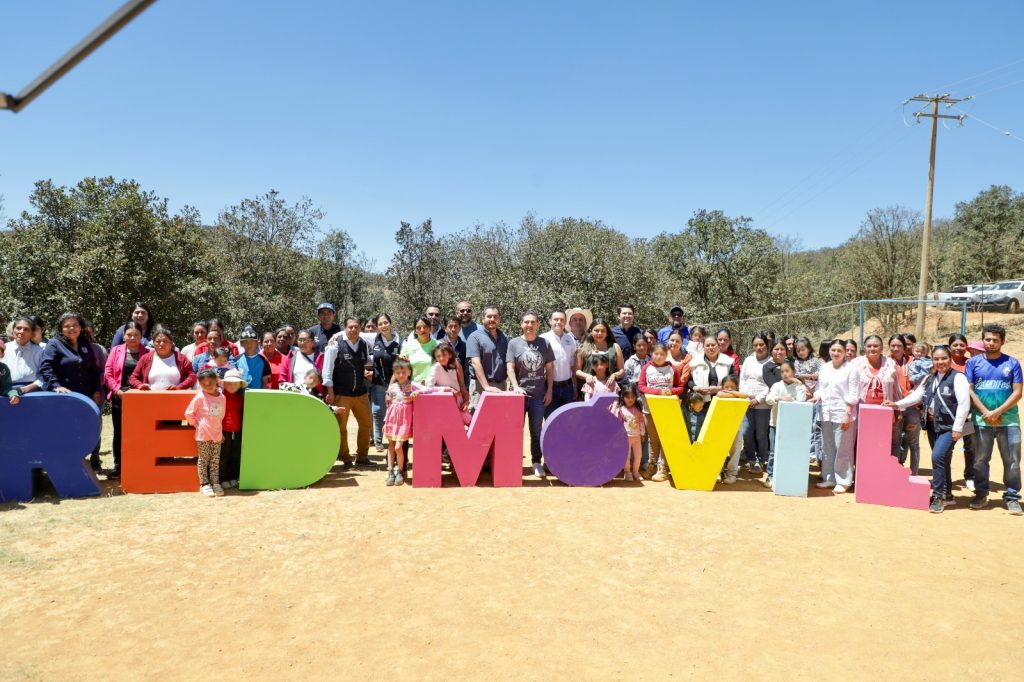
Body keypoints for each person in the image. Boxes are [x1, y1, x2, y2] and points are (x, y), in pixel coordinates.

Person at [885, 345, 971, 513]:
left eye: (944, 358)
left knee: (937, 456)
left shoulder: (958, 378)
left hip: (949, 426)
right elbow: (916, 396)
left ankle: (937, 496)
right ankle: (948, 495)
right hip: (932, 425)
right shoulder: (929, 378)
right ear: (932, 361)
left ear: (950, 359)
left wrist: (958, 428)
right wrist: (897, 404)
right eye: (936, 359)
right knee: (943, 460)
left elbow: (964, 404)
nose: (940, 362)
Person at [964, 324, 1023, 514]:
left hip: (1009, 420)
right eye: (987, 339)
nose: (991, 343)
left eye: (995, 340)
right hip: (982, 421)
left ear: (1002, 342)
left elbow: (1018, 392)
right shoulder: (973, 363)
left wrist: (997, 412)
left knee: (1012, 460)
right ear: (983, 340)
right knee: (980, 459)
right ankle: (981, 494)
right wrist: (985, 413)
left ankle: (1012, 496)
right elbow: (970, 390)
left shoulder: (1012, 363)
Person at [845, 334, 902, 492]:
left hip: (884, 413)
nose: (872, 349)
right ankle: (859, 478)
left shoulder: (890, 363)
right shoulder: (856, 363)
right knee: (859, 445)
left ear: (882, 347)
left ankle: (877, 478)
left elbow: (896, 388)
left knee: (881, 445)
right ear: (864, 348)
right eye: (869, 346)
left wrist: (898, 408)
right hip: (861, 411)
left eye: (876, 346)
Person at [507, 312, 555, 478]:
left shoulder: (544, 343)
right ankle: (513, 464)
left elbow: (549, 368)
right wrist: (515, 386)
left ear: (538, 324)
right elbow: (510, 367)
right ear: (521, 324)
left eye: (532, 322)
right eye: (526, 322)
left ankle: (536, 462)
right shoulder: (514, 343)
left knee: (536, 431)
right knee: (515, 430)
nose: (529, 325)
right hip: (519, 396)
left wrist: (549, 390)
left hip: (538, 395)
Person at [322, 317, 373, 467]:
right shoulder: (335, 343)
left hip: (361, 392)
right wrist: (330, 391)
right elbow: (327, 370)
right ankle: (345, 457)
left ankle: (362, 457)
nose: (353, 330)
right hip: (342, 393)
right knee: (341, 427)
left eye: (356, 327)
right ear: (345, 328)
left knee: (366, 424)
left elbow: (367, 361)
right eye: (350, 327)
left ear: (360, 328)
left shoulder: (363, 344)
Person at [103, 321, 151, 477]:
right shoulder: (116, 350)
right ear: (124, 336)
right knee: (120, 432)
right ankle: (119, 466)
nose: (132, 337)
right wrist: (117, 391)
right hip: (120, 397)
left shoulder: (148, 353)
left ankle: (140, 464)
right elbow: (108, 374)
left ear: (141, 336)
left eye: (136, 334)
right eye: (129, 334)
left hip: (141, 398)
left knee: (141, 432)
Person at [638, 343, 685, 482]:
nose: (659, 357)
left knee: (665, 438)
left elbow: (680, 387)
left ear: (667, 355)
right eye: (656, 354)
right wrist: (658, 392)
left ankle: (663, 468)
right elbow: (641, 386)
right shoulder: (647, 368)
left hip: (667, 410)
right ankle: (652, 466)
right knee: (653, 440)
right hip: (649, 410)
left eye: (662, 354)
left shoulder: (672, 368)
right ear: (651, 354)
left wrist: (670, 391)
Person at [813, 340, 855, 492]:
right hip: (825, 412)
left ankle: (843, 481)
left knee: (843, 448)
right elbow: (819, 387)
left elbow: (853, 393)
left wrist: (847, 413)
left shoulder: (851, 368)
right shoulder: (824, 368)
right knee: (827, 447)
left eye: (839, 350)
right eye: (833, 350)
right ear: (829, 351)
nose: (836, 353)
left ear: (845, 352)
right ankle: (829, 478)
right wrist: (817, 395)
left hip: (843, 413)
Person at [764, 359, 808, 487]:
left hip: (791, 426)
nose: (784, 374)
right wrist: (779, 398)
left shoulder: (798, 386)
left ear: (793, 372)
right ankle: (771, 476)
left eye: (787, 371)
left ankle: (786, 475)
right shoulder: (777, 386)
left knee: (788, 451)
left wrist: (799, 384)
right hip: (775, 423)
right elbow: (768, 399)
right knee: (773, 451)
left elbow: (801, 400)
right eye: (782, 371)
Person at [383, 360, 427, 486]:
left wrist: (419, 392)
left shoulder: (413, 385)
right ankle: (390, 471)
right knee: (391, 447)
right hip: (392, 421)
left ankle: (400, 471)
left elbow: (428, 389)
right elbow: (389, 405)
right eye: (398, 372)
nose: (401, 375)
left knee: (398, 447)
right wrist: (385, 421)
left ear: (409, 372)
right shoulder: (392, 387)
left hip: (404, 422)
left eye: (403, 372)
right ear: (394, 374)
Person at [185, 368, 227, 498]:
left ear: (217, 381)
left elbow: (221, 416)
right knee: (203, 460)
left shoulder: (222, 397)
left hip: (217, 435)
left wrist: (220, 432)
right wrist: (198, 425)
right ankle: (204, 484)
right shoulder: (199, 397)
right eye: (203, 384)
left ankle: (215, 483)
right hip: (203, 436)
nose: (207, 386)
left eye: (210, 382)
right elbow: (188, 414)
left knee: (215, 460)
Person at [368, 314, 402, 451]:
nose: (383, 326)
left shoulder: (400, 341)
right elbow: (353, 331)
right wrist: (337, 336)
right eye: (380, 324)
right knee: (377, 411)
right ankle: (378, 441)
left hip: (396, 384)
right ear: (377, 326)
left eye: (386, 322)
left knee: (395, 412)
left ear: (391, 323)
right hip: (378, 382)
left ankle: (395, 439)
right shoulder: (374, 338)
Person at [739, 332, 772, 473]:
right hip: (746, 403)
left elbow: (771, 385)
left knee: (761, 434)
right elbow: (742, 379)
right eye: (755, 345)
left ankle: (762, 459)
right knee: (746, 432)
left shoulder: (772, 363)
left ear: (767, 345)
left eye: (761, 344)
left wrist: (758, 399)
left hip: (762, 405)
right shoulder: (748, 360)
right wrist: (745, 397)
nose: (758, 347)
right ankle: (751, 459)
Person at [129, 326, 197, 392]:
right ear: (153, 343)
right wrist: (140, 385)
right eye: (158, 341)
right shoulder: (145, 358)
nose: (161, 344)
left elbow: (192, 376)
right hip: (150, 399)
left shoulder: (181, 358)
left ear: (171, 342)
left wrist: (179, 387)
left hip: (176, 399)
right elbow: (133, 378)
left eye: (165, 341)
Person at [889, 334, 921, 474]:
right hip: (894, 407)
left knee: (913, 443)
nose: (896, 348)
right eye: (893, 346)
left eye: (899, 346)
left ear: (905, 347)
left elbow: (922, 382)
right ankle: (895, 472)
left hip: (912, 407)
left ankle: (914, 473)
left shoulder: (914, 361)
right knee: (895, 442)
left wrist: (911, 395)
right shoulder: (885, 362)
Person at [948, 333, 977, 490]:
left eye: (961, 345)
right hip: (948, 414)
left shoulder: (971, 363)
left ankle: (970, 476)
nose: (958, 348)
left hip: (968, 414)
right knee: (947, 446)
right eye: (955, 345)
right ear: (949, 346)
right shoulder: (944, 362)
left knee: (970, 445)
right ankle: (946, 478)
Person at [467, 306, 509, 404]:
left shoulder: (504, 337)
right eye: (489, 316)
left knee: (499, 417)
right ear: (483, 319)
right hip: (480, 386)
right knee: (479, 418)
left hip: (501, 385)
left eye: (495, 317)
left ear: (499, 319)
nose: (492, 319)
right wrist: (486, 387)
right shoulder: (474, 337)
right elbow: (475, 362)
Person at [541, 310, 578, 413]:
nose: (558, 322)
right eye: (556, 319)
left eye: (562, 320)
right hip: (550, 388)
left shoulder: (570, 339)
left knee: (567, 420)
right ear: (550, 321)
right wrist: (548, 390)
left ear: (565, 322)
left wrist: (574, 388)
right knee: (550, 420)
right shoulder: (543, 339)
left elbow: (572, 365)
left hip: (568, 388)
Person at [794, 337, 824, 464]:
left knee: (814, 424)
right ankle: (803, 450)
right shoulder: (796, 362)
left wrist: (809, 377)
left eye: (803, 349)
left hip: (816, 393)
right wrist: (808, 377)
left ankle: (813, 452)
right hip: (804, 394)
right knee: (804, 423)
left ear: (809, 349)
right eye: (798, 350)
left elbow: (821, 374)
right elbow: (797, 375)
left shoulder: (816, 360)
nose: (801, 352)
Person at [1, 316, 45, 398]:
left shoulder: (40, 351)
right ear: (13, 331)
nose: (21, 331)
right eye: (18, 328)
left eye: (26, 329)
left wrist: (26, 389)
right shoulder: (4, 349)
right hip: (6, 394)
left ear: (32, 333)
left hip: (33, 394)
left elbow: (45, 376)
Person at [610, 385, 645, 481]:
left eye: (633, 397)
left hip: (637, 437)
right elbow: (618, 425)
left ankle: (636, 472)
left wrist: (642, 434)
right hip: (625, 439)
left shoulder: (638, 410)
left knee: (638, 456)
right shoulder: (620, 410)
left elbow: (641, 422)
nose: (630, 399)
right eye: (628, 397)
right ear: (622, 397)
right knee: (627, 457)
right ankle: (627, 473)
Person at [220, 369, 247, 490]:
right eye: (229, 383)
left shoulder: (241, 398)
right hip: (223, 431)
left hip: (238, 431)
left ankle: (234, 477)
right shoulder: (220, 397)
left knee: (236, 455)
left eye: (235, 384)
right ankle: (223, 478)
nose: (232, 386)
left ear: (240, 385)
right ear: (224, 384)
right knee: (223, 455)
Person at [717, 375, 748, 484]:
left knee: (735, 449)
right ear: (722, 386)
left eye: (732, 387)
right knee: (719, 449)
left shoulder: (740, 395)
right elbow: (720, 394)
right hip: (722, 426)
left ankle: (732, 474)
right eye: (726, 386)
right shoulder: (720, 394)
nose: (729, 389)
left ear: (737, 387)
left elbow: (745, 395)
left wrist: (731, 393)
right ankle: (718, 472)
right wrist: (735, 394)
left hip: (737, 427)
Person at [576, 319, 624, 388]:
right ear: (591, 331)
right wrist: (587, 376)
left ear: (607, 333)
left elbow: (621, 370)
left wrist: (614, 375)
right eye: (596, 330)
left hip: (609, 389)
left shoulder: (615, 347)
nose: (599, 333)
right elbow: (577, 371)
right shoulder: (583, 348)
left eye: (603, 331)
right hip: (589, 390)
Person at [427, 343, 470, 416]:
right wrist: (448, 389)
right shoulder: (436, 367)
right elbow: (429, 387)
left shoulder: (455, 365)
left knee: (467, 422)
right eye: (438, 356)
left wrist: (466, 401)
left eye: (444, 355)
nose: (441, 358)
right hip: (444, 402)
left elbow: (462, 385)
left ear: (450, 355)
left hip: (458, 401)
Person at [689, 335, 735, 401]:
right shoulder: (695, 361)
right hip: (700, 401)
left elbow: (733, 381)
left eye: (713, 345)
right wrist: (696, 388)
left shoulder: (727, 361)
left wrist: (718, 389)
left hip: (722, 400)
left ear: (718, 346)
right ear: (703, 347)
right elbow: (690, 380)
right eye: (707, 345)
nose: (710, 347)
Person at [401, 317, 440, 384]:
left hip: (434, 388)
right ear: (415, 331)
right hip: (413, 389)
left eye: (425, 327)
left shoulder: (438, 345)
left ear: (430, 328)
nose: (422, 330)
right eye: (418, 328)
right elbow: (400, 367)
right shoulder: (408, 346)